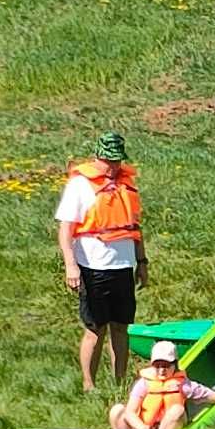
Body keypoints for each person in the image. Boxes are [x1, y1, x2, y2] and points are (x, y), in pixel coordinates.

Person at [56, 130, 148, 393]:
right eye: (109, 162)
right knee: (96, 329)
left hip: (123, 267)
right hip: (92, 268)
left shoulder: (126, 185)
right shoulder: (80, 185)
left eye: (117, 161)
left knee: (121, 328)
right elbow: (65, 230)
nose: (113, 167)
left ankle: (119, 384)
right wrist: (70, 265)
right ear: (97, 157)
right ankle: (89, 385)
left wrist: (141, 262)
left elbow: (135, 227)